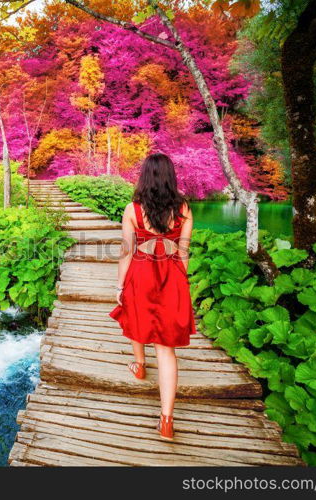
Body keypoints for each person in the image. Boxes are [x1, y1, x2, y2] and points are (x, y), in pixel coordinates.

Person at [109, 153, 195, 441]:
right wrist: (180, 284)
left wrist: (120, 287)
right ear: (171, 176)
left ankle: (139, 366)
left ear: (144, 176)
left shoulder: (132, 209)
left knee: (135, 315)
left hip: (141, 274)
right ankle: (167, 420)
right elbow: (183, 253)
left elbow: (126, 252)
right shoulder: (183, 209)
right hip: (172, 277)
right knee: (166, 349)